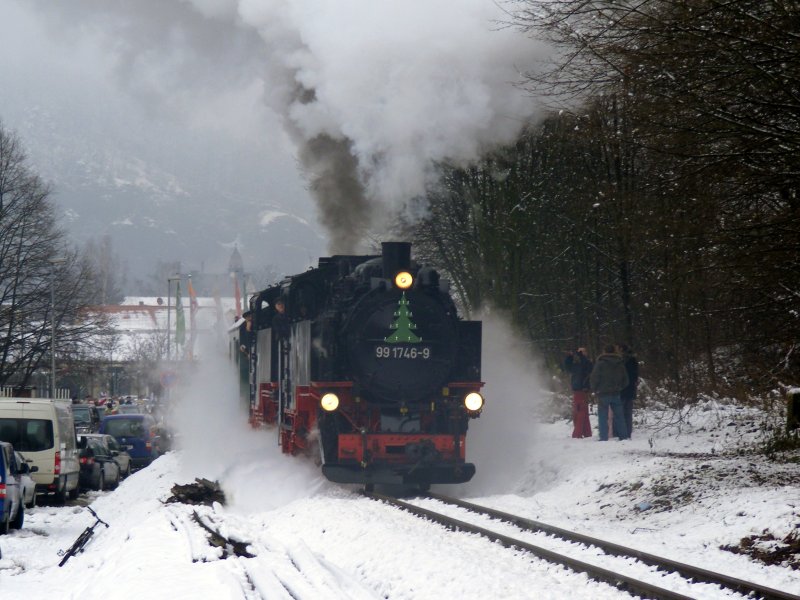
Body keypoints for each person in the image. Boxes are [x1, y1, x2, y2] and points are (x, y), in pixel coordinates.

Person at [590, 344, 630, 441]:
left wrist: (595, 389)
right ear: (614, 351)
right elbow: (626, 380)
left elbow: (594, 378)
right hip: (616, 393)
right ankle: (623, 436)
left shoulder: (600, 363)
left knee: (603, 417)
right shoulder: (620, 363)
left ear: (604, 351)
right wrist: (619, 387)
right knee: (620, 416)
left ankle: (603, 437)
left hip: (603, 393)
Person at [563, 347, 593, 438]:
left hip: (582, 389)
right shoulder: (577, 364)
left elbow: (587, 367)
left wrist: (580, 356)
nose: (581, 353)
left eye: (582, 351)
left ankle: (578, 433)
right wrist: (569, 357)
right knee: (581, 411)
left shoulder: (587, 363)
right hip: (578, 389)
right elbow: (567, 367)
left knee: (580, 411)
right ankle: (586, 432)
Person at [617, 343, 639, 438]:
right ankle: (628, 432)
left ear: (621, 349)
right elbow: (635, 375)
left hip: (622, 388)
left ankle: (621, 433)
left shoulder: (620, 361)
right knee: (628, 412)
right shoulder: (633, 360)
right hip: (630, 389)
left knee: (620, 412)